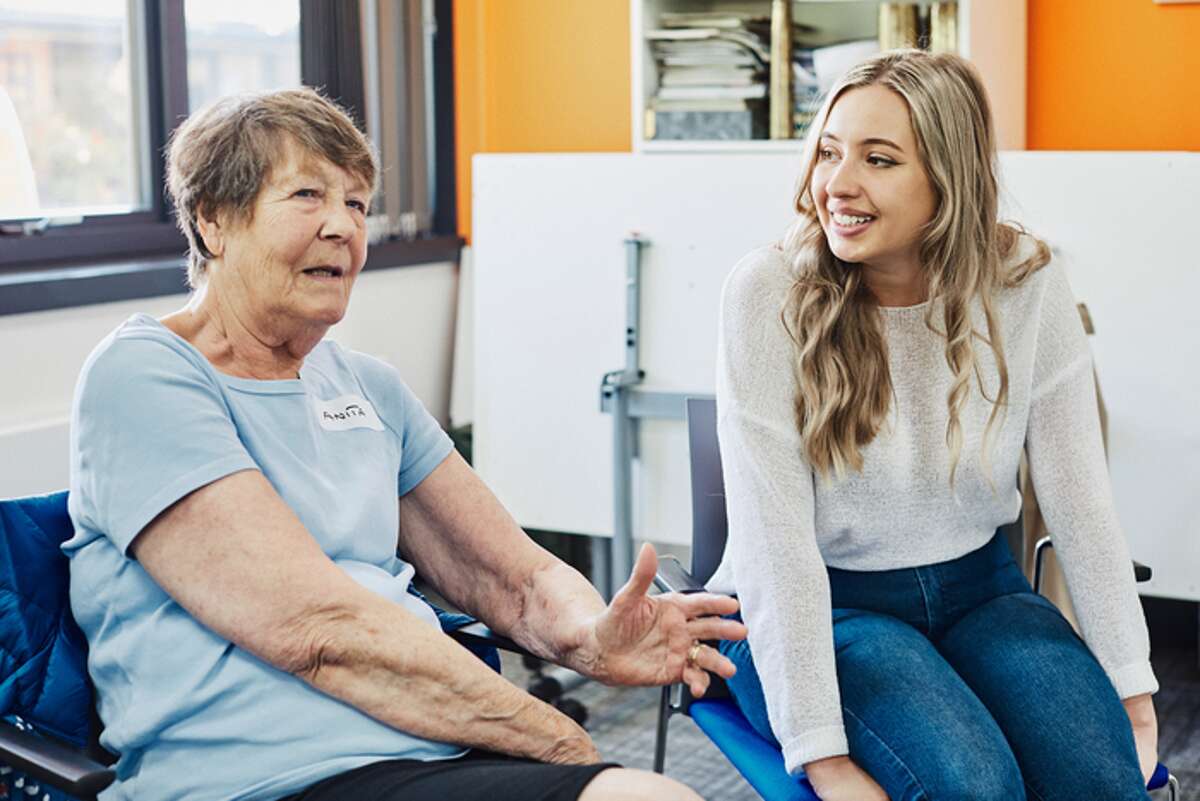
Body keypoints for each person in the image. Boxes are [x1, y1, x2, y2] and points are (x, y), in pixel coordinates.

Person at [63, 87, 746, 801]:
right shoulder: (143, 376)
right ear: (213, 222)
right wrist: (562, 742)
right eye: (307, 195)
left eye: (357, 204)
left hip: (433, 752)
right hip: (262, 779)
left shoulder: (369, 387)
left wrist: (591, 635)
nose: (342, 227)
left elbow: (517, 578)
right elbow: (321, 629)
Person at [708, 50, 1159, 801]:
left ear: (948, 182)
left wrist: (1133, 691)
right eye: (829, 151)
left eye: (878, 159)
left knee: (1099, 780)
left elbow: (1080, 498)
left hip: (980, 589)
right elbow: (773, 544)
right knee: (975, 786)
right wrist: (823, 755)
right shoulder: (768, 291)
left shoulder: (1026, 281)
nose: (836, 186)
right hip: (827, 605)